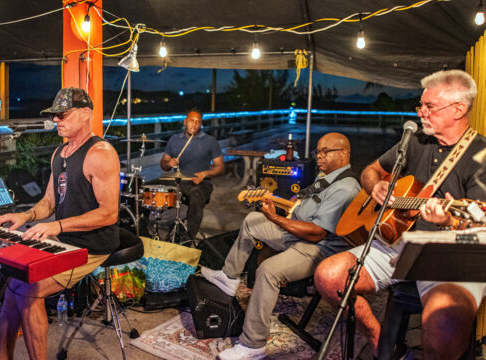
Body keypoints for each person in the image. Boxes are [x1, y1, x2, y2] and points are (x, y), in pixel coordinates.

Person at [314, 70, 486, 360]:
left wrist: (449, 220)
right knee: (329, 276)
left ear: (459, 109)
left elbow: (479, 223)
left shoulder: (481, 155)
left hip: (449, 251)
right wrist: (375, 187)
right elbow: (370, 170)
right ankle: (381, 340)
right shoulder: (416, 141)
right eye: (420, 105)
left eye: (429, 107)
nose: (420, 112)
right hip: (396, 242)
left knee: (444, 324)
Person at [202, 132, 360, 360]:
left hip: (319, 248)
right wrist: (281, 208)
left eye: (326, 152)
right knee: (252, 221)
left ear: (343, 153)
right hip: (298, 233)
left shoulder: (345, 188)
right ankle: (229, 277)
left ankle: (253, 345)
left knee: (268, 270)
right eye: (318, 151)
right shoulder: (327, 177)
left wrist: (276, 219)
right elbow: (303, 208)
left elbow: (317, 233)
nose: (319, 156)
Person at [0, 87, 120, 360]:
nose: (57, 120)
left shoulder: (101, 153)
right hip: (65, 239)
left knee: (29, 290)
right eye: (54, 115)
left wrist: (57, 227)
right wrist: (25, 216)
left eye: (63, 114)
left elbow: (109, 214)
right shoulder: (59, 153)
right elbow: (49, 202)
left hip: (92, 244)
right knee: (12, 280)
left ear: (85, 114)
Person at [159, 109, 224, 242]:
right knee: (149, 188)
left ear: (201, 124)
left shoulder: (210, 141)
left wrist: (206, 173)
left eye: (197, 122)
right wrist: (168, 163)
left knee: (196, 193)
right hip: (179, 181)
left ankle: (188, 238)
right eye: (191, 121)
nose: (194, 125)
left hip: (201, 183)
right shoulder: (175, 140)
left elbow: (220, 167)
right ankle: (153, 227)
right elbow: (163, 165)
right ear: (185, 122)